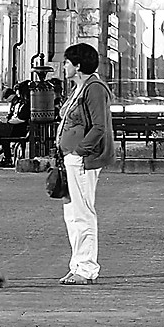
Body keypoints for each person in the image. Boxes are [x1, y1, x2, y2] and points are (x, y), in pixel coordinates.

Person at [54, 40, 112, 285]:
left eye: (66, 62)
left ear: (77, 65)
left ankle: (86, 268)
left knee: (83, 213)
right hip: (71, 158)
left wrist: (79, 151)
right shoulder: (79, 87)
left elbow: (99, 126)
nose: (63, 66)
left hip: (83, 160)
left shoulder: (94, 88)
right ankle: (77, 264)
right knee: (72, 214)